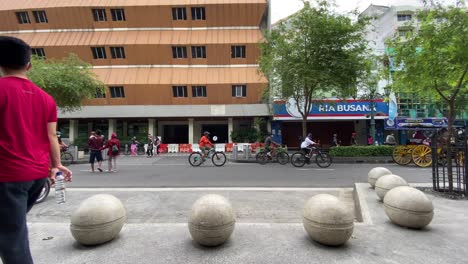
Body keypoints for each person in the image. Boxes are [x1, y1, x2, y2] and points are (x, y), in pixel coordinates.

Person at [0, 36, 72, 264]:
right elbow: (51, 135)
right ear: (29, 65)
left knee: (12, 237)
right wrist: (57, 164)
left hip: (7, 177)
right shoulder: (46, 99)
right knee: (11, 228)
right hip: (37, 178)